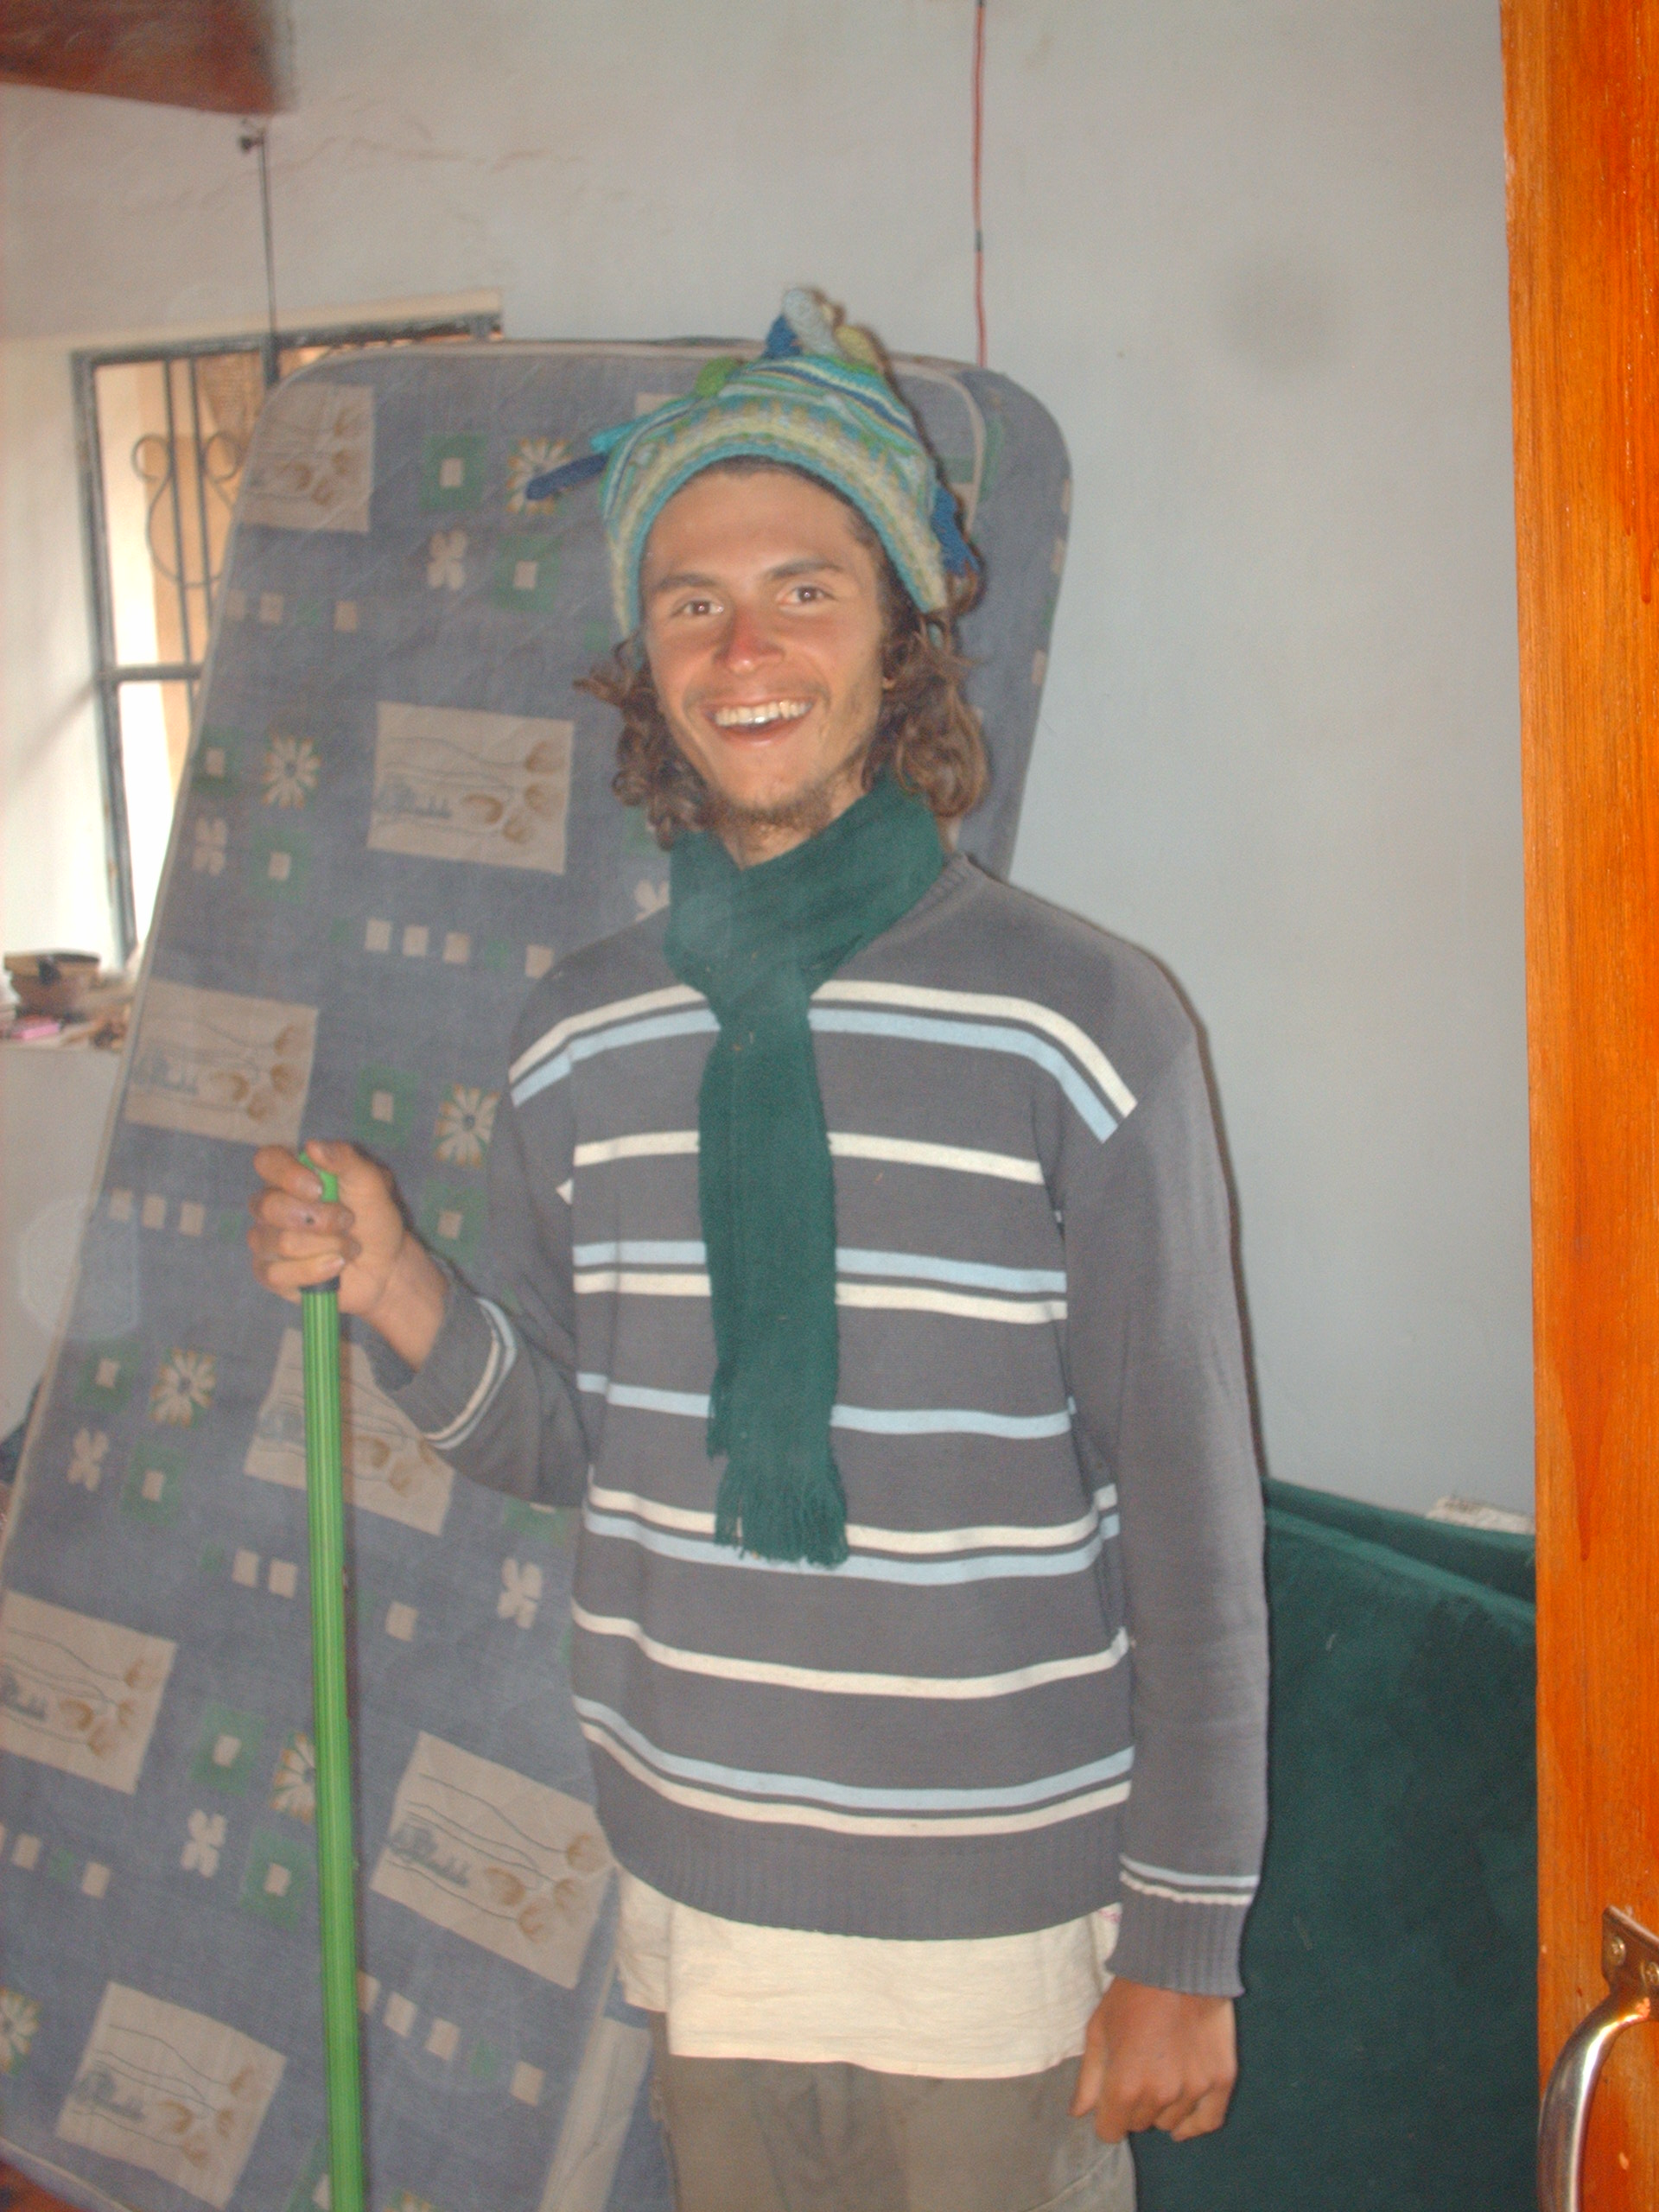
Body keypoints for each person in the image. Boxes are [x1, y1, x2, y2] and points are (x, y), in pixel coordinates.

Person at [248, 289, 1268, 2212]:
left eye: (806, 588)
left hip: (995, 1925)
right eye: (691, 603)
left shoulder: (1083, 1023)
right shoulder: (580, 1036)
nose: (744, 649)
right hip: (699, 1893)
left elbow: (1194, 1511)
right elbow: (581, 1441)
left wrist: (1185, 1934)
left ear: (901, 636)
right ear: (645, 664)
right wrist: (394, 1285)